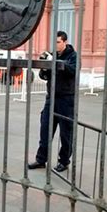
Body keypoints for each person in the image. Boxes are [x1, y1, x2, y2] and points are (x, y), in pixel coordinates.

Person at [28, 31, 77, 172]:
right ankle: (41, 159)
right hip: (51, 98)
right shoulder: (52, 55)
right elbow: (44, 76)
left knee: (65, 133)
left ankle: (64, 161)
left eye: (58, 42)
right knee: (45, 129)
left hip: (66, 99)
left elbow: (72, 70)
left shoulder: (73, 56)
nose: (55, 45)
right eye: (53, 42)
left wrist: (55, 62)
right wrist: (44, 67)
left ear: (64, 42)